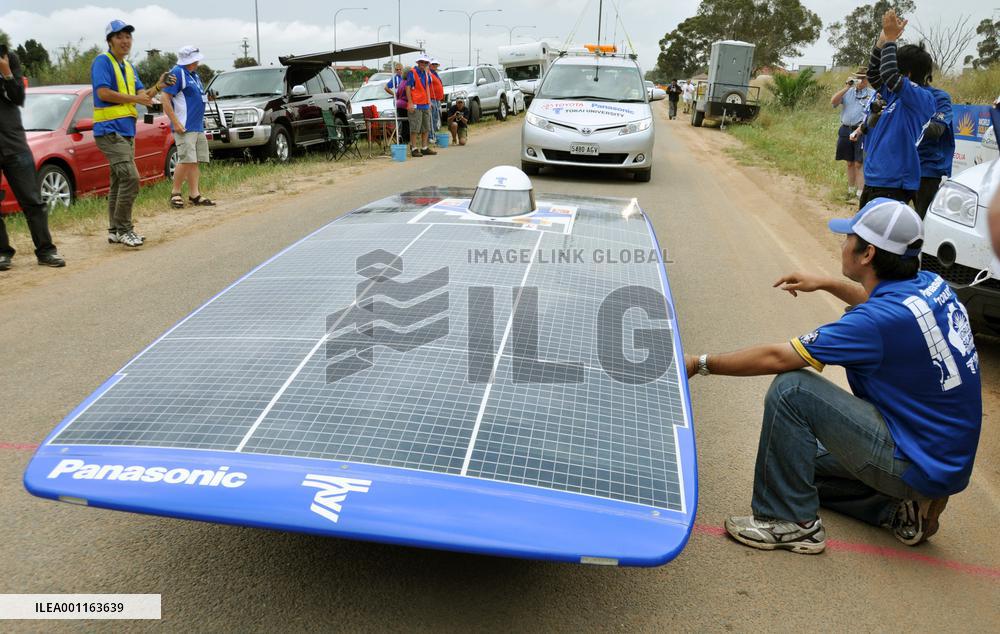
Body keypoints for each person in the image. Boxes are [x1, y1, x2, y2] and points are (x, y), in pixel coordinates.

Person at [684, 198, 982, 555]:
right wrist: (826, 283)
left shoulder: (874, 324)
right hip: (939, 456)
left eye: (848, 238)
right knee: (792, 460)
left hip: (914, 455)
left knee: (792, 389)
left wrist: (699, 363)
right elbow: (878, 302)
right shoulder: (930, 285)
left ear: (867, 253)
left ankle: (791, 523)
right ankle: (897, 509)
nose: (843, 244)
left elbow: (779, 356)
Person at [91, 19, 175, 247]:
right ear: (110, 41)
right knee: (131, 178)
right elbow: (104, 93)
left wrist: (158, 86)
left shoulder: (129, 67)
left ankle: (114, 230)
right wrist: (136, 99)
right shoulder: (102, 61)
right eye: (119, 37)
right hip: (108, 131)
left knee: (118, 181)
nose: (125, 41)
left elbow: (143, 96)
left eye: (128, 37)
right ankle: (125, 229)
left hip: (126, 131)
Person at [858, 9, 935, 209]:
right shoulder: (893, 94)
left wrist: (892, 40)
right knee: (862, 237)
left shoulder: (922, 98)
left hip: (894, 183)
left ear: (907, 73)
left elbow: (889, 74)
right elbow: (874, 74)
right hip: (875, 179)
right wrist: (881, 42)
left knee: (878, 240)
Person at [0, 48, 65, 270]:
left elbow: (18, 97)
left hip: (14, 143)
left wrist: (7, 72)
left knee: (32, 201)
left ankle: (46, 251)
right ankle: (3, 253)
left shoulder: (8, 57)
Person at [161, 45, 214, 209]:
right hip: (185, 126)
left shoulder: (194, 75)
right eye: (195, 59)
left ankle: (194, 194)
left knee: (194, 161)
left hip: (196, 126)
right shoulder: (177, 73)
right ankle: (175, 193)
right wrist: (175, 122)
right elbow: (165, 98)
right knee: (185, 159)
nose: (198, 61)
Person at [913, 79, 955, 218]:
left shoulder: (939, 97)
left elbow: (936, 130)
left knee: (922, 218)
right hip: (900, 165)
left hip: (927, 168)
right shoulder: (899, 96)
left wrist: (908, 117)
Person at [831, 69, 874, 200]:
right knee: (849, 162)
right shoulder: (848, 92)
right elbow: (833, 102)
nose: (859, 81)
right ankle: (850, 191)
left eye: (862, 78)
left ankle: (860, 194)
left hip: (861, 130)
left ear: (867, 80)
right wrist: (847, 86)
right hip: (845, 129)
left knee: (858, 163)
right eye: (857, 78)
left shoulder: (872, 94)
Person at [405, 56, 436, 157]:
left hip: (425, 104)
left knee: (426, 127)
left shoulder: (426, 74)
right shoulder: (412, 72)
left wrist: (429, 102)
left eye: (426, 62)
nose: (423, 64)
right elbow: (408, 87)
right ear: (418, 62)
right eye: (422, 62)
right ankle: (413, 148)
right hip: (415, 104)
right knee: (414, 128)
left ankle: (424, 148)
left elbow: (427, 86)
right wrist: (410, 102)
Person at [389, 64, 409, 145]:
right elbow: (386, 87)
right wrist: (394, 94)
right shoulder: (395, 78)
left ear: (402, 70)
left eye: (400, 69)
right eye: (397, 69)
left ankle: (402, 136)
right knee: (402, 121)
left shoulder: (403, 80)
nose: (398, 71)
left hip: (401, 102)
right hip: (401, 101)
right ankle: (402, 137)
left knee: (404, 121)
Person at [428, 59, 444, 146]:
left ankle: (433, 135)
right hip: (431, 98)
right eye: (433, 64)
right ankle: (430, 136)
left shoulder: (435, 73)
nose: (434, 66)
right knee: (432, 118)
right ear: (429, 65)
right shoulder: (428, 73)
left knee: (435, 118)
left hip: (437, 99)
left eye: (436, 64)